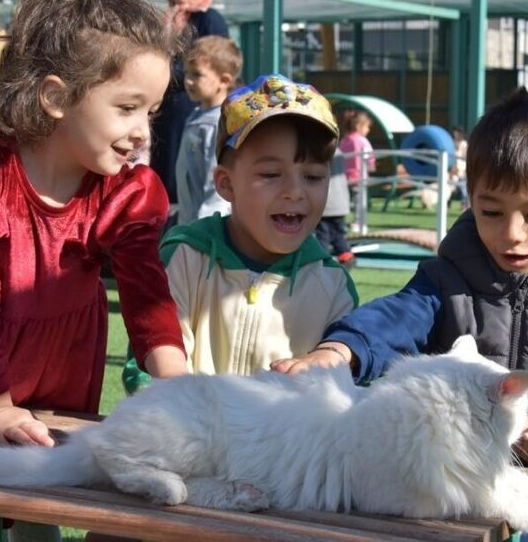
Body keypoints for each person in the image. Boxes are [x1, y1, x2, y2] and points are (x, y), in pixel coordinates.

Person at [272, 88, 528, 541]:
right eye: (491, 211)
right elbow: (398, 317)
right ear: (469, 197)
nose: (511, 235)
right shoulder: (450, 276)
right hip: (456, 495)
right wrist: (340, 349)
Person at [0, 0, 189, 541]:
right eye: (127, 107)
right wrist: (0, 406)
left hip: (61, 381)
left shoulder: (122, 191)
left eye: (150, 112)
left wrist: (181, 388)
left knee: (41, 511)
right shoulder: (1, 186)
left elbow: (146, 292)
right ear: (56, 98)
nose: (141, 131)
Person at [123, 74, 357, 389]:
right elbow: (145, 370)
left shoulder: (332, 287)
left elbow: (345, 398)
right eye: (272, 174)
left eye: (313, 176)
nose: (295, 191)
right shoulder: (184, 258)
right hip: (186, 434)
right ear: (226, 184)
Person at [150, 0, 229, 212]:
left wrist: (164, 74)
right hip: (164, 114)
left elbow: (214, 65)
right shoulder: (167, 22)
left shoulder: (209, 20)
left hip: (191, 113)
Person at [176, 35, 242, 224]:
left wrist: (205, 229)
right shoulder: (197, 116)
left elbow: (216, 186)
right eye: (187, 73)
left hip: (206, 228)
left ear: (224, 80)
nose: (188, 81)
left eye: (197, 74)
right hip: (189, 222)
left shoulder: (218, 124)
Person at [315, 148, 356, 268]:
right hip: (340, 201)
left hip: (326, 202)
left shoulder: (319, 151)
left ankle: (322, 262)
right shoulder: (338, 152)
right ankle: (346, 256)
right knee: (338, 234)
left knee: (322, 235)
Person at [338, 110, 376, 232]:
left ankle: (342, 222)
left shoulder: (344, 140)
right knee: (359, 201)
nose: (368, 130)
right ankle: (358, 222)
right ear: (359, 126)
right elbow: (370, 156)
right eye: (367, 127)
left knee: (346, 200)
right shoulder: (362, 140)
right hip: (359, 176)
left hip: (344, 176)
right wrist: (371, 165)